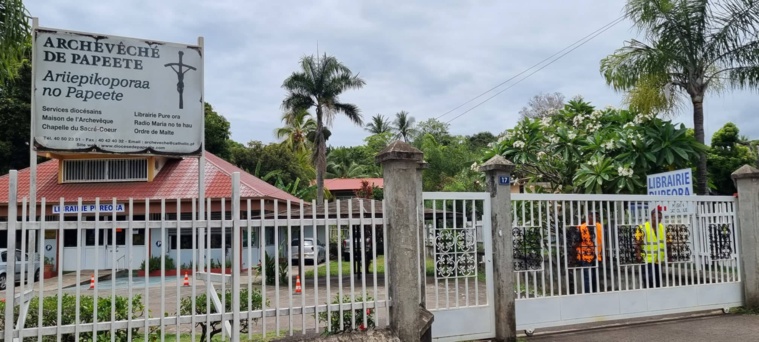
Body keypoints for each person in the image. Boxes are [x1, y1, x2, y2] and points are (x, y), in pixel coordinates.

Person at [636, 207, 666, 288]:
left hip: (658, 259)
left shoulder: (662, 227)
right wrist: (638, 255)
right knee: (648, 280)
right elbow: (638, 242)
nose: (658, 219)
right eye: (656, 217)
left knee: (658, 281)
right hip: (647, 259)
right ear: (651, 217)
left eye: (660, 218)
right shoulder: (643, 227)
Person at [576, 212, 603, 293]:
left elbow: (602, 240)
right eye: (594, 216)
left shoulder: (599, 226)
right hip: (585, 256)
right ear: (588, 216)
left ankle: (593, 293)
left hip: (596, 255)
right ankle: (588, 294)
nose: (596, 218)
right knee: (588, 277)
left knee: (594, 276)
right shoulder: (582, 227)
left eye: (597, 216)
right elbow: (577, 241)